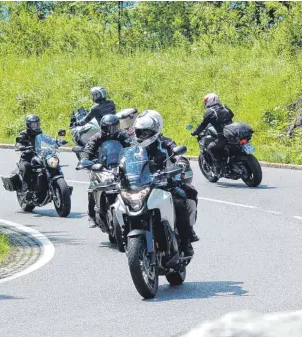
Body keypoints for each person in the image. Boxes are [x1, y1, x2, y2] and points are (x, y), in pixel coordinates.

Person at [134, 110, 200, 256]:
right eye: (139, 132)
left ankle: (186, 240)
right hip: (141, 185)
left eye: (145, 132)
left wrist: (181, 163)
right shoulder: (134, 146)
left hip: (165, 184)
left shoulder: (165, 143)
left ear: (156, 130)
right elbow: (124, 160)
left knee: (180, 201)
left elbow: (179, 156)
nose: (141, 136)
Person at [77, 115, 131, 227]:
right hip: (101, 166)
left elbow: (132, 146)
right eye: (108, 128)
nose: (111, 131)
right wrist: (85, 160)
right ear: (103, 128)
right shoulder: (97, 137)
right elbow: (88, 149)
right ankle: (92, 215)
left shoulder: (122, 135)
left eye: (114, 128)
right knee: (92, 187)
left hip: (120, 165)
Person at [190, 93, 234, 175]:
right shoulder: (224, 107)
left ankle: (220, 168)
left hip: (223, 136)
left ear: (208, 101)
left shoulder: (209, 112)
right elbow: (231, 115)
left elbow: (202, 125)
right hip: (233, 133)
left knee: (211, 148)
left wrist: (194, 132)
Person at [15, 114, 43, 200]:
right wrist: (21, 146)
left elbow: (46, 140)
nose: (35, 125)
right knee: (27, 168)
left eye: (36, 123)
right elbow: (18, 142)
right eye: (32, 124)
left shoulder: (40, 133)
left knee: (52, 163)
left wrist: (55, 143)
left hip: (38, 157)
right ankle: (25, 191)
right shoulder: (24, 134)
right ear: (28, 124)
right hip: (27, 158)